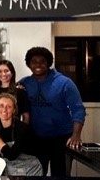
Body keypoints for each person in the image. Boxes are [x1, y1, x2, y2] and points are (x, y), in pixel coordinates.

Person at [19, 47, 86, 176]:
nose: (38, 64)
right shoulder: (25, 83)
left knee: (60, 175)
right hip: (36, 138)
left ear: (49, 63)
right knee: (36, 174)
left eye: (42, 61)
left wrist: (76, 135)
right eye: (34, 61)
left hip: (61, 138)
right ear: (28, 64)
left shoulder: (65, 83)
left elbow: (78, 110)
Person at [0, 93, 42, 176]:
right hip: (11, 170)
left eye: (9, 107)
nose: (4, 110)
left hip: (30, 171)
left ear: (14, 110)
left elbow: (11, 155)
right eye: (1, 106)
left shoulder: (22, 128)